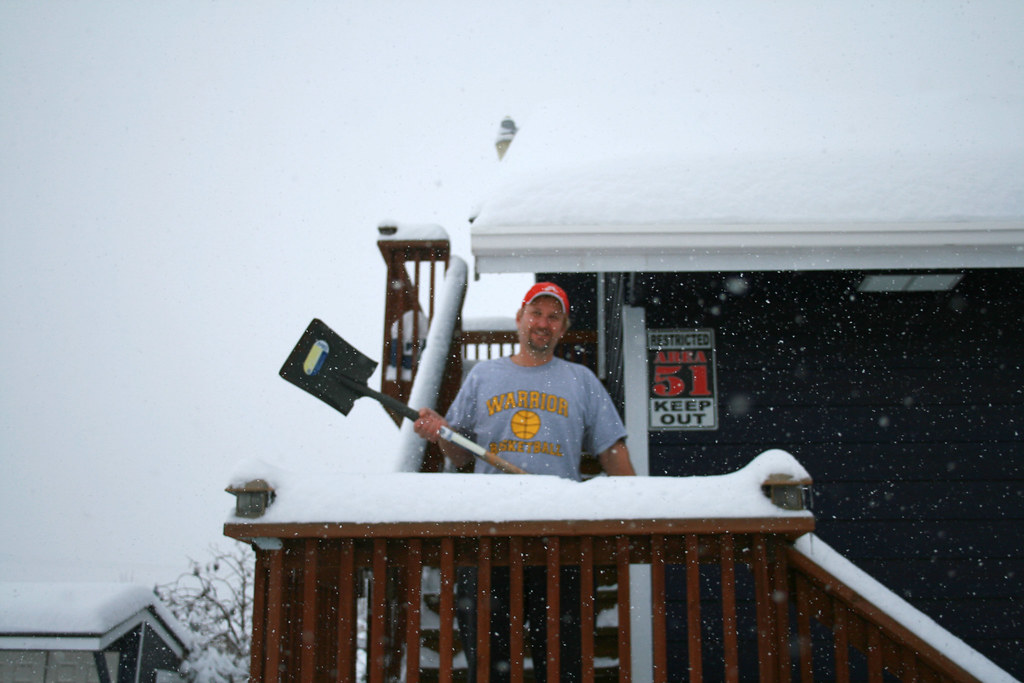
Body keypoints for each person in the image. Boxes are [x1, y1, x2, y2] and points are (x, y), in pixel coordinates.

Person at [413, 281, 635, 682]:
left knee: (564, 662)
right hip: (488, 537)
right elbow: (460, 453)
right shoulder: (484, 376)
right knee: (491, 661)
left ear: (563, 327)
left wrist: (639, 502)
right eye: (536, 313)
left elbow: (612, 452)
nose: (543, 323)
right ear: (519, 318)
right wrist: (442, 433)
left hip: (560, 539)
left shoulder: (581, 380)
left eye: (554, 317)